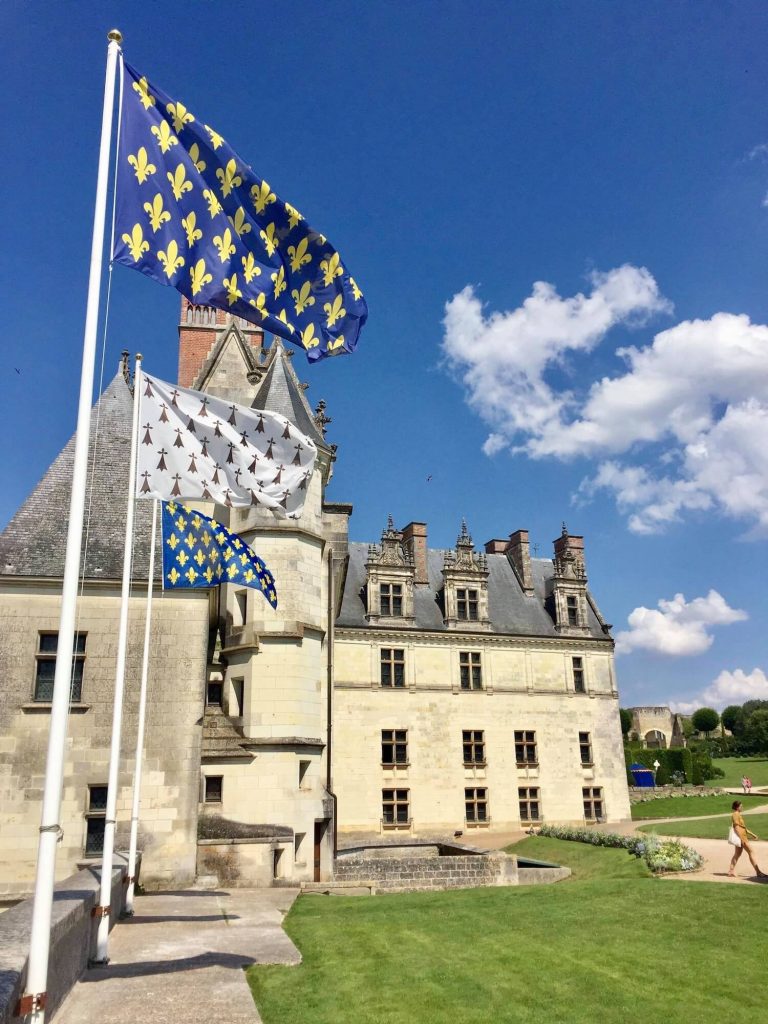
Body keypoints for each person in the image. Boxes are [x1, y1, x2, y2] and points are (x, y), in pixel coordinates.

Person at [728, 800, 765, 877]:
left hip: (742, 837)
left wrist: (752, 834)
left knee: (737, 854)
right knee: (751, 852)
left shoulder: (738, 814)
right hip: (742, 838)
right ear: (737, 807)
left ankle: (731, 871)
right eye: (741, 806)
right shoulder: (735, 815)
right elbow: (736, 827)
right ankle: (758, 872)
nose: (742, 807)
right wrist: (741, 839)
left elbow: (743, 828)